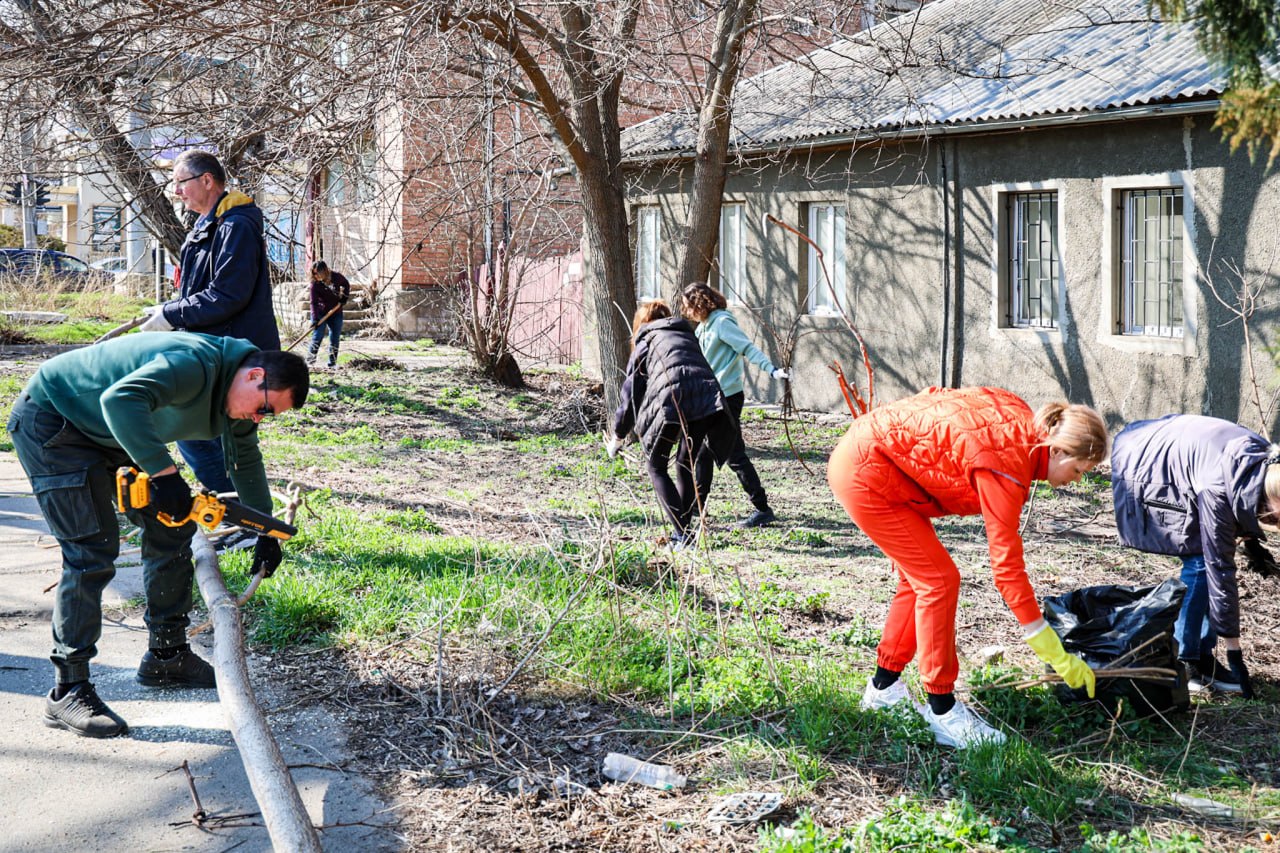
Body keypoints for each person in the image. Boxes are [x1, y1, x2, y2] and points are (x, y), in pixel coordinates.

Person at [6, 332, 308, 738]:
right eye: (264, 409)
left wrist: (264, 529)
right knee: (90, 550)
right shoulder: (193, 365)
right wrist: (166, 476)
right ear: (255, 376)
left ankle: (167, 655)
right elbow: (119, 400)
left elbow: (245, 460)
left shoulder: (237, 399)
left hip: (111, 432)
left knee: (173, 526)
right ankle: (68, 688)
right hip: (55, 421)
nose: (259, 419)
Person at [827, 387, 1105, 748]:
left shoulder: (1020, 420)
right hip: (867, 474)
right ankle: (942, 710)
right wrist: (1051, 648)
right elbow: (1006, 571)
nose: (1078, 480)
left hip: (877, 459)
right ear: (1056, 449)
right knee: (938, 581)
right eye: (1079, 469)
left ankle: (883, 689)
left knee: (921, 578)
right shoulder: (1007, 465)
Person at [141, 150, 280, 553]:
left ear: (207, 180)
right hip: (211, 350)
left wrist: (172, 314)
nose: (177, 192)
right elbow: (201, 290)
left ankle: (246, 522)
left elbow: (227, 295)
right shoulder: (207, 225)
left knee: (223, 442)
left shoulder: (235, 225)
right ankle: (237, 518)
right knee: (201, 437)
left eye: (181, 182)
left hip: (233, 355)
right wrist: (174, 310)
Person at [1110, 414, 1278, 698]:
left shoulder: (1264, 464)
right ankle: (1186, 662)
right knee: (1202, 562)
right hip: (1145, 467)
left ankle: (1199, 654)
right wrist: (1235, 653)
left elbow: (1243, 502)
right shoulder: (1219, 488)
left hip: (1174, 457)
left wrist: (1251, 541)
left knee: (1205, 558)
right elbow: (1219, 567)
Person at [606, 300, 737, 549]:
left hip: (674, 401)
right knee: (685, 465)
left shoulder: (647, 341)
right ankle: (683, 533)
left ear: (642, 323)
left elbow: (631, 392)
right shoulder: (686, 335)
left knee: (656, 467)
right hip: (707, 401)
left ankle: (682, 535)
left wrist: (618, 436)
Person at [679, 283, 788, 528]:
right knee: (706, 454)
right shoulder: (704, 327)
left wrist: (771, 371)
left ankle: (762, 508)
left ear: (700, 303)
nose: (687, 313)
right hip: (711, 396)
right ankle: (697, 507)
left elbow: (747, 348)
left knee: (733, 453)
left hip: (727, 397)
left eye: (689, 307)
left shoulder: (722, 323)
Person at [305, 260, 351, 370]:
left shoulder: (336, 277)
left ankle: (332, 364)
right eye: (314, 273)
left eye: (317, 273)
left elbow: (346, 284)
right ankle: (310, 362)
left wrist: (344, 298)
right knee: (318, 336)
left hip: (336, 311)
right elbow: (313, 303)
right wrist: (315, 319)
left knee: (334, 337)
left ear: (325, 271)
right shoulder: (314, 285)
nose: (315, 276)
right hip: (320, 312)